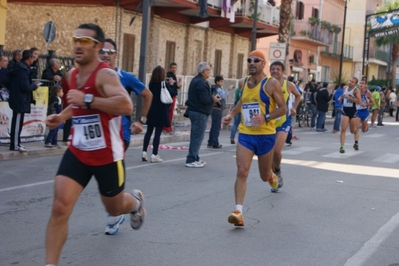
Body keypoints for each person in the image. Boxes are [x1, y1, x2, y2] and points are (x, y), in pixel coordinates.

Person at [44, 23, 146, 265]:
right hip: (78, 150)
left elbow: (126, 106)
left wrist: (88, 98)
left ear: (98, 47)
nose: (78, 45)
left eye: (85, 41)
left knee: (114, 208)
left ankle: (136, 203)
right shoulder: (71, 75)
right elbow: (76, 103)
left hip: (107, 155)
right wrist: (61, 117)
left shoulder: (105, 74)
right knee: (60, 207)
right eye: (76, 39)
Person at [222, 50, 286, 226]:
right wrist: (231, 115)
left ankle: (272, 175)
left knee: (264, 176)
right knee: (242, 171)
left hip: (265, 135)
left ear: (263, 63)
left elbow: (283, 109)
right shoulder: (243, 82)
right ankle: (238, 212)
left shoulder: (271, 84)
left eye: (256, 60)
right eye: (249, 60)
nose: (251, 63)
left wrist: (265, 117)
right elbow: (242, 102)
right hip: (246, 134)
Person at [100, 38, 152, 150]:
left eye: (110, 52)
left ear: (116, 55)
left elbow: (148, 95)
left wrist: (140, 121)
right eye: (102, 51)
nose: (105, 55)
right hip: (98, 136)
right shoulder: (91, 76)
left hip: (120, 135)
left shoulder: (126, 77)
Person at [269, 61, 300, 193]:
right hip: (269, 122)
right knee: (269, 153)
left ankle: (278, 170)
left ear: (282, 72)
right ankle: (274, 178)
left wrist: (293, 107)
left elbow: (299, 95)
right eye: (273, 69)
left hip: (283, 121)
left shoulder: (288, 85)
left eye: (278, 69)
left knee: (276, 150)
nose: (275, 71)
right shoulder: (265, 84)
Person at [184, 62, 220, 168]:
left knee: (197, 136)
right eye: (208, 70)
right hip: (199, 112)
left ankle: (195, 157)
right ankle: (191, 159)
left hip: (196, 111)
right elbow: (204, 99)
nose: (210, 72)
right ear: (204, 71)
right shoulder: (200, 82)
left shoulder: (197, 81)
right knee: (197, 137)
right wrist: (213, 99)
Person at [8, 49, 40, 152]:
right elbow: (25, 87)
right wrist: (34, 86)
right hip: (19, 99)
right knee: (17, 122)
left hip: (19, 99)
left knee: (18, 122)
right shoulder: (22, 69)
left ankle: (16, 143)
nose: (34, 60)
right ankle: (15, 145)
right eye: (33, 58)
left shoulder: (22, 67)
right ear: (29, 58)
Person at [142, 66, 174, 163]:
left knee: (149, 132)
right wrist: (171, 84)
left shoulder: (151, 84)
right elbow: (172, 93)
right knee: (157, 133)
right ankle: (154, 154)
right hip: (160, 111)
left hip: (151, 110)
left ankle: (144, 152)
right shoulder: (163, 84)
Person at [207, 75, 233, 149]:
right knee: (217, 126)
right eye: (221, 81)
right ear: (217, 82)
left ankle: (210, 142)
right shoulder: (218, 89)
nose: (222, 82)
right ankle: (215, 143)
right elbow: (223, 95)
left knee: (213, 126)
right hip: (217, 109)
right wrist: (229, 89)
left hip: (213, 108)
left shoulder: (213, 88)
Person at [338, 77, 361, 154]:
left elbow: (359, 101)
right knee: (343, 129)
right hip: (345, 110)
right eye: (350, 81)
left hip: (353, 111)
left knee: (352, 130)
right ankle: (342, 147)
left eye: (352, 82)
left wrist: (350, 97)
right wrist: (341, 97)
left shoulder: (356, 91)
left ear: (355, 84)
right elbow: (344, 95)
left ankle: (356, 141)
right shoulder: (345, 88)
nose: (350, 82)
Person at [353, 78, 374, 151]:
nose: (361, 85)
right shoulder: (356, 92)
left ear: (366, 85)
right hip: (358, 111)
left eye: (362, 83)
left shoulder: (368, 93)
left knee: (363, 130)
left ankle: (366, 127)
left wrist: (366, 104)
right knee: (356, 127)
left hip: (365, 111)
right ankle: (356, 143)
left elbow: (373, 103)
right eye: (360, 83)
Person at [163, 62, 182, 134]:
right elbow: (170, 86)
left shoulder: (174, 76)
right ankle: (167, 128)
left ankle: (167, 127)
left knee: (171, 112)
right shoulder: (169, 76)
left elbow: (174, 85)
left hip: (172, 95)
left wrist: (178, 85)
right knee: (170, 112)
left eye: (175, 68)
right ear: (170, 68)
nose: (174, 69)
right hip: (170, 96)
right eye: (173, 68)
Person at [229, 79, 243, 144]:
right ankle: (241, 139)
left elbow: (236, 99)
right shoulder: (245, 90)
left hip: (237, 108)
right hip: (243, 108)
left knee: (235, 124)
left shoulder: (237, 90)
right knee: (243, 124)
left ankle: (232, 137)